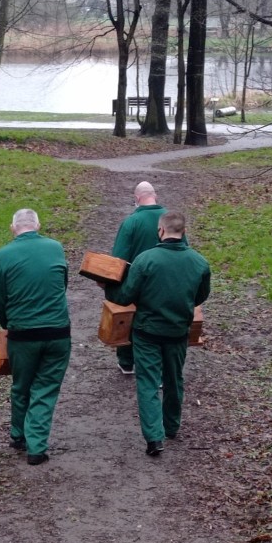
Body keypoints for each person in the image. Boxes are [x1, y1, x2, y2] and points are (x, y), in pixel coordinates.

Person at [106, 211, 210, 457]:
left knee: (148, 382)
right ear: (183, 232)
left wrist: (109, 286)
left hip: (147, 332)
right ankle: (171, 426)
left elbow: (126, 296)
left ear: (160, 231)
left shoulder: (145, 260)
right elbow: (200, 296)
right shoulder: (199, 262)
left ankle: (154, 437)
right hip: (177, 331)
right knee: (174, 379)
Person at [0, 209, 72, 466]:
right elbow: (62, 283)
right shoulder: (56, 248)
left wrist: (9, 325)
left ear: (13, 228)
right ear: (38, 225)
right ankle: (36, 444)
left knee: (21, 384)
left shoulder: (2, 256)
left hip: (22, 334)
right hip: (58, 332)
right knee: (45, 388)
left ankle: (20, 437)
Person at [110, 181, 169, 375]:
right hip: (165, 282)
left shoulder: (131, 222)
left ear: (136, 198)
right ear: (155, 196)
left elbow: (119, 258)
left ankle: (127, 361)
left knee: (129, 316)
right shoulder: (169, 218)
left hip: (137, 282)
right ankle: (159, 367)